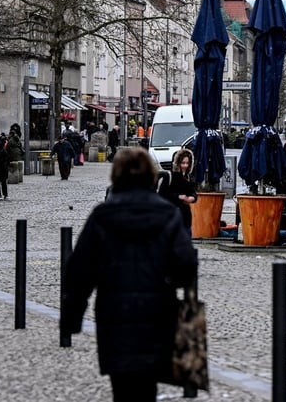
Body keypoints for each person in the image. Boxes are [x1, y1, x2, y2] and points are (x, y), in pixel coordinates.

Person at [61, 148, 199, 402]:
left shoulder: (103, 216)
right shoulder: (166, 214)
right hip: (157, 310)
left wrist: (71, 319)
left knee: (122, 387)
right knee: (148, 386)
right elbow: (186, 266)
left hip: (115, 312)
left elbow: (79, 272)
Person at [157, 147, 198, 235]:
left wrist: (192, 198)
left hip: (185, 218)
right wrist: (178, 197)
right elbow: (162, 194)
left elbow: (193, 192)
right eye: (183, 163)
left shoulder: (188, 177)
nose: (185, 166)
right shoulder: (169, 176)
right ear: (177, 163)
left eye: (187, 163)